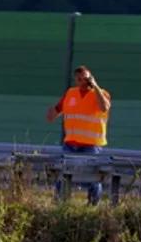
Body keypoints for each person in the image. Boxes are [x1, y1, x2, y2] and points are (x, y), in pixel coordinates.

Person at [46, 65, 112, 203]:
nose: (82, 82)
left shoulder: (101, 94)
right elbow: (57, 110)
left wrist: (96, 87)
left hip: (91, 144)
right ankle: (60, 202)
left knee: (92, 176)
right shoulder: (71, 93)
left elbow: (104, 107)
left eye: (86, 79)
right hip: (71, 143)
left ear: (91, 78)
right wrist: (51, 113)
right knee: (63, 173)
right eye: (79, 79)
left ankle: (93, 203)